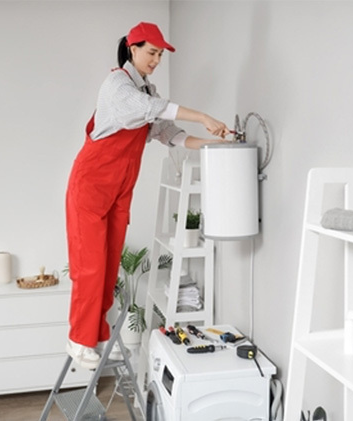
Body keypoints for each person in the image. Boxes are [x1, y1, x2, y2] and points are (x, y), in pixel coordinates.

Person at [65, 21, 229, 369]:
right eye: (152, 52)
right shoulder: (118, 86)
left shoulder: (147, 91)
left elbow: (170, 134)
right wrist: (203, 116)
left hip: (118, 192)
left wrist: (214, 143)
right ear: (133, 48)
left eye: (160, 55)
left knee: (108, 266)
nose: (156, 60)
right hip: (90, 186)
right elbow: (151, 109)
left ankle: (97, 334)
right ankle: (78, 340)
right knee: (89, 266)